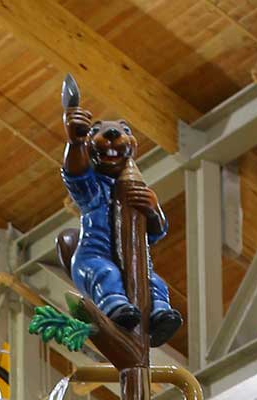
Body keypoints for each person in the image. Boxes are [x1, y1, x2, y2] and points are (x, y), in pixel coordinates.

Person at [59, 105, 182, 345]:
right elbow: (76, 175)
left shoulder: (136, 188)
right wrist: (75, 143)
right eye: (98, 131)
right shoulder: (94, 190)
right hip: (94, 257)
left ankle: (159, 316)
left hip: (133, 261)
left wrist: (153, 210)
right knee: (106, 273)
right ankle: (115, 308)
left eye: (124, 130)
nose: (113, 134)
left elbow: (155, 234)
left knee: (155, 282)